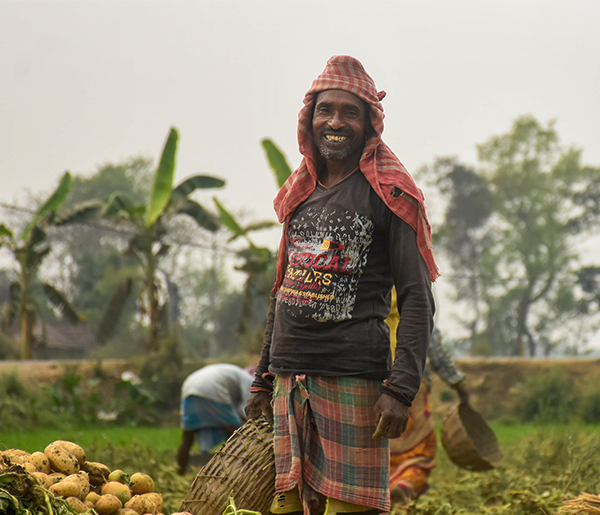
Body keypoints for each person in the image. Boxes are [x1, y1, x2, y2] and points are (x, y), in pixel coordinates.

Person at [245, 55, 439, 515]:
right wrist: (262, 378)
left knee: (350, 509)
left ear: (368, 124)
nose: (335, 122)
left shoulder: (390, 193)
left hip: (354, 377)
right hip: (290, 381)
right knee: (287, 507)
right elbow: (283, 290)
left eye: (349, 112)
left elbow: (416, 299)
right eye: (325, 110)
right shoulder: (301, 192)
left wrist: (401, 389)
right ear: (309, 119)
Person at [386, 299, 469, 504]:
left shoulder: (370, 303)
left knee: (377, 445)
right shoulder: (415, 304)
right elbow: (437, 354)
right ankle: (406, 484)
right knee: (421, 449)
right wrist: (459, 385)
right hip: (412, 386)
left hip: (376, 385)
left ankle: (379, 494)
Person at [177, 363, 253, 474]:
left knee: (188, 437)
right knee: (237, 434)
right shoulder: (250, 381)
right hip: (211, 389)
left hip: (189, 389)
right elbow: (247, 408)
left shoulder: (235, 373)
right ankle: (241, 469)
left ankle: (180, 470)